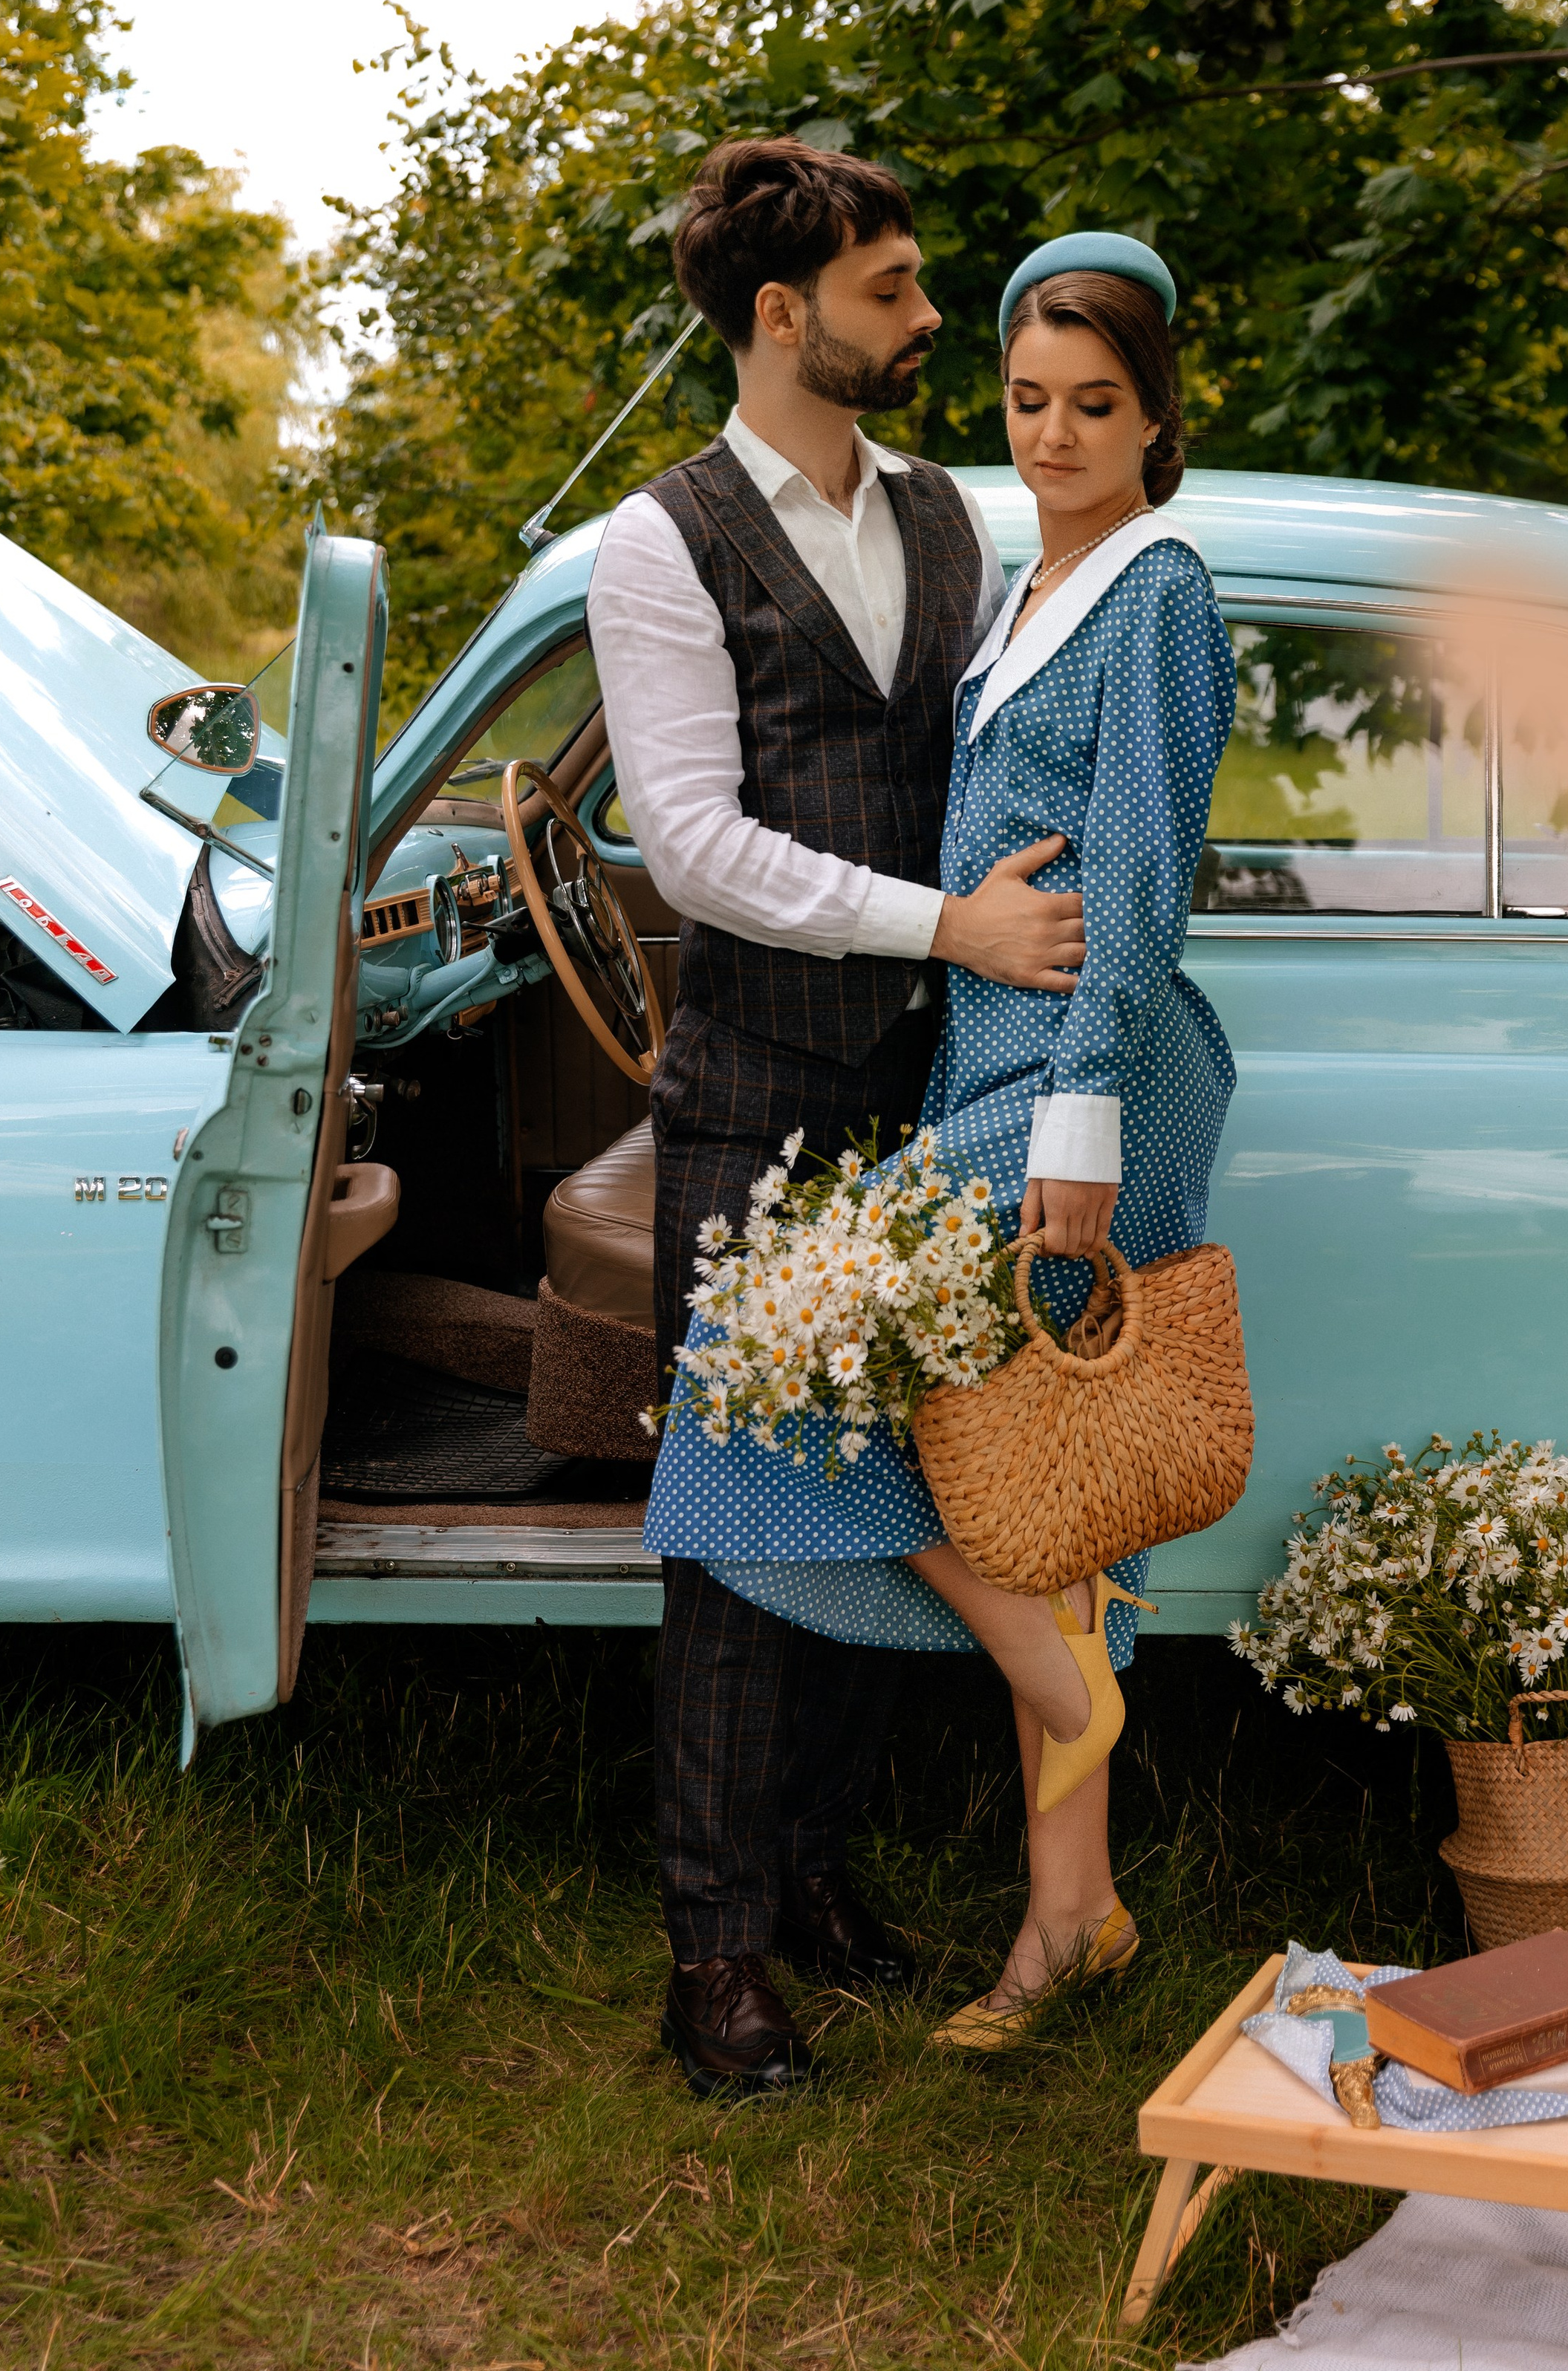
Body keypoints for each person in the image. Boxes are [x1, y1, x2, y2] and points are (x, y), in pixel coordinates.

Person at [645, 227, 1240, 2052]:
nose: (1053, 435)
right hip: (986, 1068)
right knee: (1039, 1484)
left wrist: (1079, 1120)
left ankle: (1058, 1683)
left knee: (767, 1364)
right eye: (1027, 400)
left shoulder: (1153, 591)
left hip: (1080, 1081)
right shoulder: (1021, 582)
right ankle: (1073, 1919)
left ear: (1154, 422)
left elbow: (1137, 876)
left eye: (1095, 406)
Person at [588, 138, 1088, 2100]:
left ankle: (811, 1875)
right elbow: (692, 847)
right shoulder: (662, 542)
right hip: (760, 1103)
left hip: (935, 1100)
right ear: (783, 314)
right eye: (892, 288)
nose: (930, 316)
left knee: (894, 1504)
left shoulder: (947, 512)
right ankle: (712, 1958)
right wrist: (945, 925)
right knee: (732, 1541)